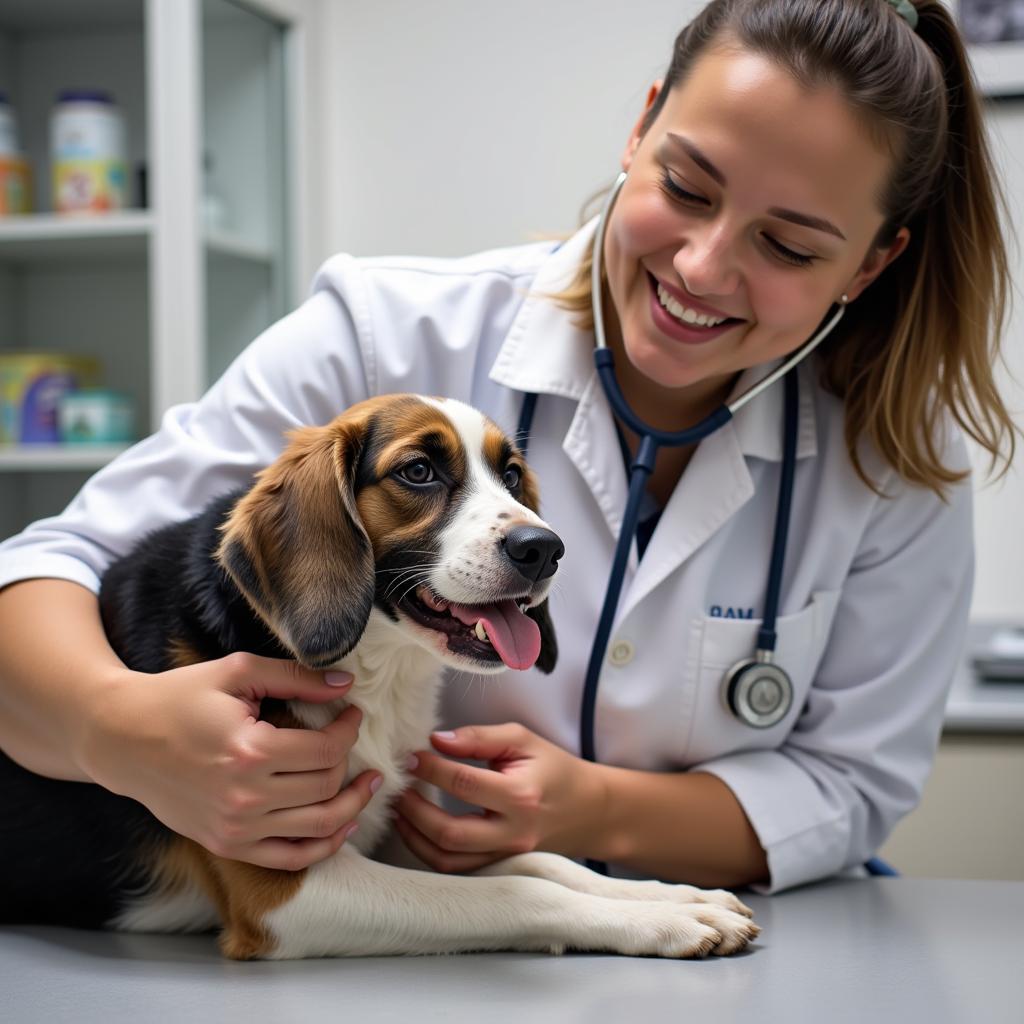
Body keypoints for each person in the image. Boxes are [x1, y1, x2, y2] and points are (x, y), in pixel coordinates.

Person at [0, 0, 1015, 894]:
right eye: (688, 186)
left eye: (789, 246)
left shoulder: (893, 462)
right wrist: (115, 731)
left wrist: (596, 811)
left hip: (737, 920)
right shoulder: (384, 331)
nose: (703, 268)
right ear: (641, 124)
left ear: (870, 264)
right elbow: (50, 569)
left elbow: (850, 781)